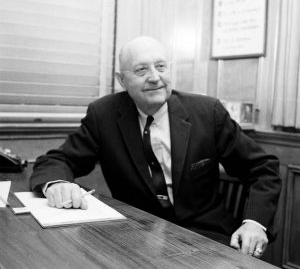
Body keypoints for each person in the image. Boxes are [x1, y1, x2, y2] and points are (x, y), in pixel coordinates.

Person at [30, 36, 281, 258]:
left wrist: (255, 223)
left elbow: (262, 167)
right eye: (141, 70)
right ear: (122, 80)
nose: (155, 77)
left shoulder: (208, 112)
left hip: (206, 237)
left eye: (161, 66)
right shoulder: (104, 115)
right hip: (135, 235)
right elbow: (58, 160)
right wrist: (58, 184)